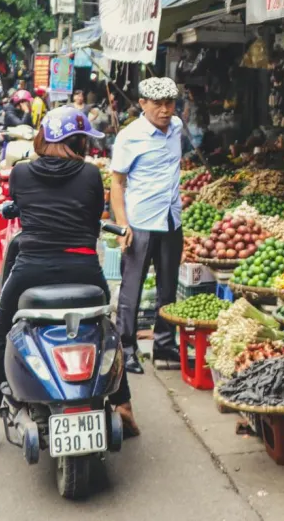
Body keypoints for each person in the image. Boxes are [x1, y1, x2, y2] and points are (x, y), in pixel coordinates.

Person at [0, 107, 138, 446]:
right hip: (84, 270)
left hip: (31, 269)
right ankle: (123, 405)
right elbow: (94, 217)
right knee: (109, 330)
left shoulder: (20, 173)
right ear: (77, 141)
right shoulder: (91, 175)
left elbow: (17, 206)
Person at [110, 78, 183, 374]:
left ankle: (165, 345)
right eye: (158, 104)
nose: (165, 110)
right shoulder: (130, 137)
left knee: (168, 289)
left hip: (170, 220)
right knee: (132, 290)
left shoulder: (177, 127)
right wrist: (122, 225)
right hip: (139, 222)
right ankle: (126, 349)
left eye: (170, 103)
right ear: (142, 104)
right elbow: (117, 182)